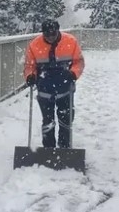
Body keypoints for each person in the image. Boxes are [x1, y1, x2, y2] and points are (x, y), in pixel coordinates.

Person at [23, 19, 85, 149]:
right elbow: (30, 65)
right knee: (48, 121)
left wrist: (73, 73)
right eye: (47, 35)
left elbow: (78, 61)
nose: (51, 37)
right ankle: (48, 148)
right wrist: (30, 75)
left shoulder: (71, 41)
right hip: (44, 88)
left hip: (65, 87)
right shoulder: (34, 45)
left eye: (53, 34)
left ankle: (64, 146)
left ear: (58, 31)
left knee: (66, 119)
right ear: (43, 33)